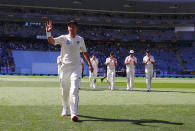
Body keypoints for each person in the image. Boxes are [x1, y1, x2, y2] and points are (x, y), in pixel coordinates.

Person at [45, 20, 93, 122]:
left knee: (74, 89)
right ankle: (65, 108)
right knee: (65, 91)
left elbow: (84, 52)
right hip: (64, 68)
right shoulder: (63, 38)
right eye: (70, 26)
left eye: (74, 26)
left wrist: (89, 64)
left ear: (77, 28)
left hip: (76, 68)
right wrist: (48, 32)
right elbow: (51, 41)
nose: (72, 28)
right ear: (68, 28)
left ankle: (74, 113)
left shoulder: (80, 39)